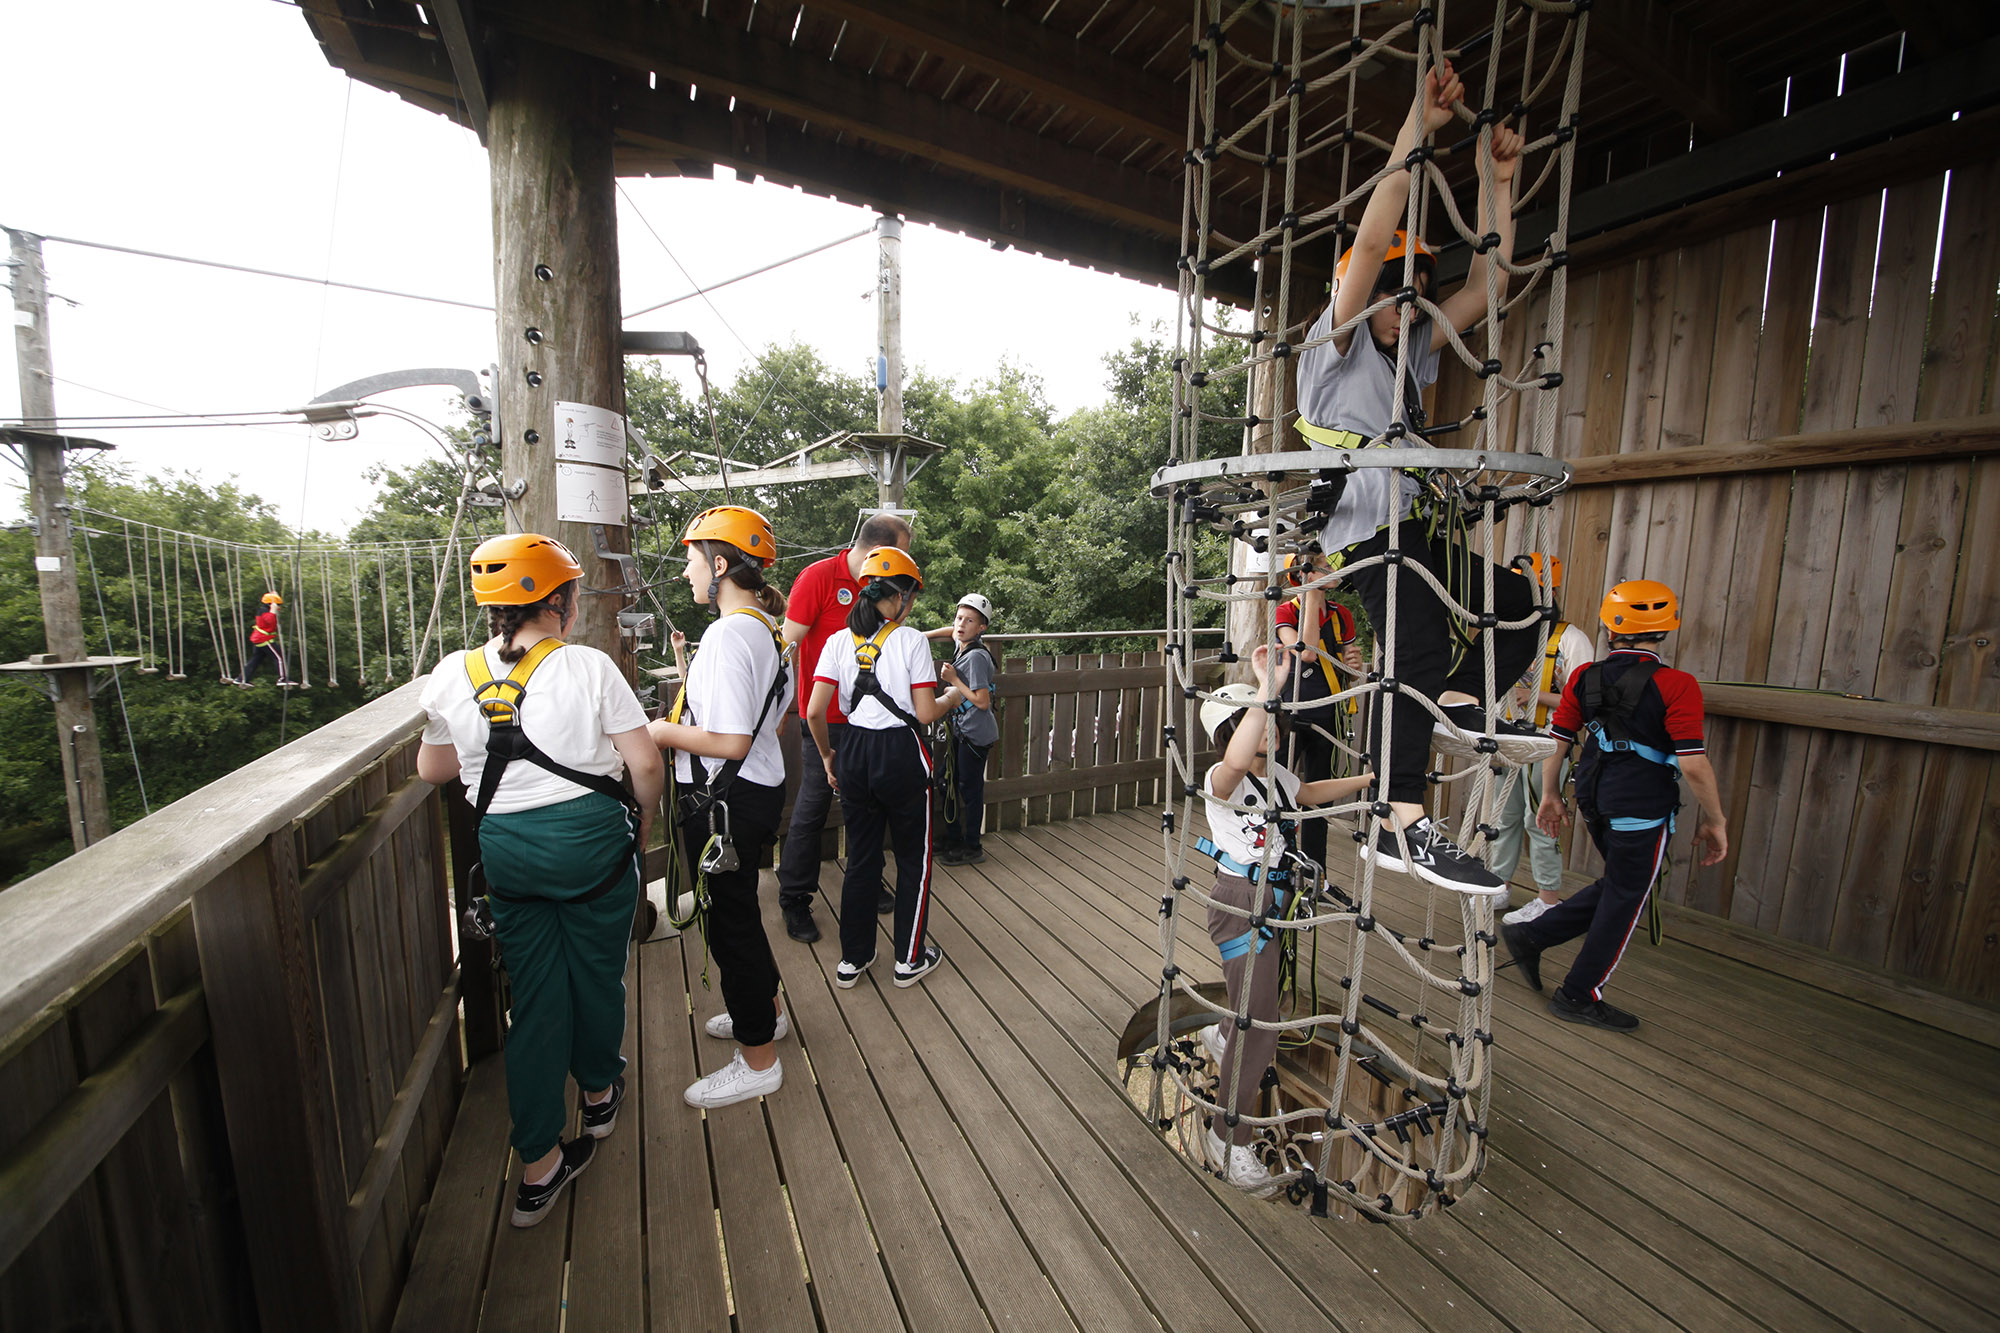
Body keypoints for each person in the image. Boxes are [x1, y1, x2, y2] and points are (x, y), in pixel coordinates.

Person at [1295, 60, 1545, 893]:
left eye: (1419, 292)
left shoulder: (1413, 358)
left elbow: (1489, 283)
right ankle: (1399, 820)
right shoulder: (1335, 350)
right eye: (1398, 291)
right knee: (1416, 637)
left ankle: (1455, 703)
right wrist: (1416, 133)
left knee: (1520, 605)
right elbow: (1370, 244)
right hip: (1369, 536)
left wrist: (1494, 181)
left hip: (1419, 534)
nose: (1411, 303)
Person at [415, 533, 665, 1226]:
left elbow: (433, 771)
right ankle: (597, 1093)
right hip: (590, 850)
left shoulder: (451, 673)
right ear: (559, 600)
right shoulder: (587, 667)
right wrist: (643, 824)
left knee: (533, 993)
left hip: (510, 857)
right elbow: (644, 765)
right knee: (596, 971)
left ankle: (538, 1165)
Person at [1502, 580, 1728, 1032]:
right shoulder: (1677, 685)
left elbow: (1559, 741)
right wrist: (1716, 819)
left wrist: (1550, 795)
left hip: (1594, 796)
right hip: (1640, 803)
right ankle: (1578, 993)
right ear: (1665, 631)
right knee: (1628, 894)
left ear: (1608, 628)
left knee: (1623, 883)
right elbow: (1694, 764)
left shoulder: (1587, 678)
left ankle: (1533, 933)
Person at [1197, 645, 1375, 1194]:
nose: (1273, 727)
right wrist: (1266, 688)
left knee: (1256, 1001)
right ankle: (1230, 1137)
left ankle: (1222, 1033)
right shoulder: (1221, 781)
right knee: (1262, 1027)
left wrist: (1365, 788)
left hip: (1271, 902)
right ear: (1234, 731)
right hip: (1240, 902)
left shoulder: (1273, 775)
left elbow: (1309, 792)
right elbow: (1232, 762)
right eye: (1260, 721)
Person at [647, 506, 794, 1108]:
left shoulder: (733, 632)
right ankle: (767, 1012)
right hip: (748, 792)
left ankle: (759, 1060)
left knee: (729, 924)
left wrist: (660, 733)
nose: (686, 573)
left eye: (690, 560)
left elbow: (729, 739)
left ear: (721, 564)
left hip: (724, 800)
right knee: (739, 915)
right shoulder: (764, 628)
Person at [806, 546, 966, 990]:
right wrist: (953, 697)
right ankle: (909, 959)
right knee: (914, 858)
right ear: (898, 597)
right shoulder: (911, 640)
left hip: (853, 750)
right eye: (910, 597)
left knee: (861, 858)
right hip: (901, 753)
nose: (909, 606)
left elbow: (815, 711)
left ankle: (852, 959)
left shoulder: (838, 641)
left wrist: (826, 756)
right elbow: (926, 711)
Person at [775, 515, 914, 942]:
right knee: (813, 806)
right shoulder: (818, 578)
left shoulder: (886, 585)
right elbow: (785, 646)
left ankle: (868, 883)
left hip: (875, 721)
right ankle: (794, 898)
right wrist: (782, 707)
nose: (906, 560)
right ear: (878, 547)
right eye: (902, 550)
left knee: (868, 808)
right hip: (826, 721)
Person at [1487, 554, 1597, 923]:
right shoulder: (1506, 636)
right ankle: (1501, 886)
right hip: (1509, 739)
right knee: (1504, 817)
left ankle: (1549, 898)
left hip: (1550, 741)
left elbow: (1582, 698)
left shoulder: (1571, 640)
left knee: (1542, 819)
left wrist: (1533, 697)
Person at [1273, 552, 1364, 872]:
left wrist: (1355, 666)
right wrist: (1311, 598)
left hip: (1327, 715)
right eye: (1323, 567)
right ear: (1304, 575)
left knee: (1319, 799)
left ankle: (1315, 871)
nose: (1331, 569)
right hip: (1290, 716)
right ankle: (1279, 865)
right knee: (1280, 792)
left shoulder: (1342, 615)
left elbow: (1348, 670)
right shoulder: (1285, 611)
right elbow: (1306, 653)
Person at [934, 592, 998, 865]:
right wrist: (919, 635)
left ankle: (972, 846)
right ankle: (954, 838)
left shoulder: (975, 658)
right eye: (959, 617)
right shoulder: (964, 642)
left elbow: (982, 702)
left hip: (975, 732)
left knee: (968, 789)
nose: (961, 624)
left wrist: (953, 680)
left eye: (969, 621)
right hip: (962, 730)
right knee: (947, 783)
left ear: (981, 628)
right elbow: (952, 631)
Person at [237, 591, 290, 685]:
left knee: (256, 659)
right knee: (279, 657)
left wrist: (275, 596)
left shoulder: (263, 609)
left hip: (259, 639)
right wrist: (273, 610)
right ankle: (283, 679)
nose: (278, 607)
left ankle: (242, 679)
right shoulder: (266, 611)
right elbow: (269, 620)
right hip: (264, 639)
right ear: (271, 604)